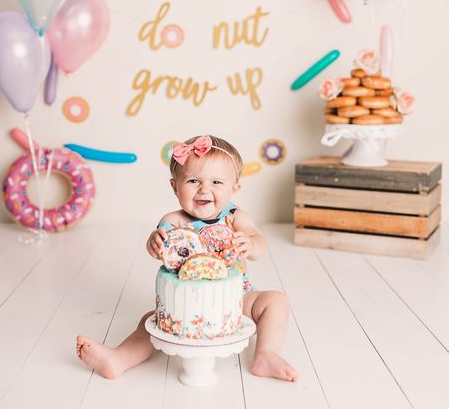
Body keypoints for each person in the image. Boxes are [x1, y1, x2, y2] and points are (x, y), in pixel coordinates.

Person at [77, 135, 298, 382]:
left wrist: (251, 244)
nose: (204, 189)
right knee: (149, 322)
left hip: (235, 297)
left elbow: (259, 242)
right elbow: (160, 245)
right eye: (193, 181)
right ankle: (119, 358)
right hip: (185, 305)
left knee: (276, 302)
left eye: (216, 182)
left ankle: (266, 354)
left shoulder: (235, 217)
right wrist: (155, 241)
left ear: (234, 188)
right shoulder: (175, 221)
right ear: (175, 187)